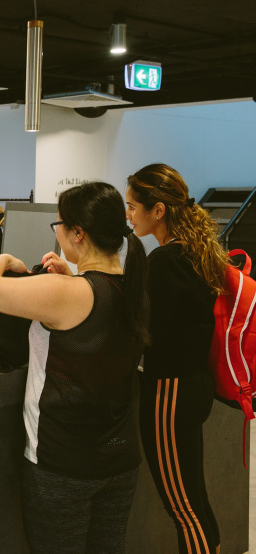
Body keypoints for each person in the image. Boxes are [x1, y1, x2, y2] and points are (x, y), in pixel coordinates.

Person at [0, 182, 148, 554]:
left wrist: (5, 259)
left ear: (78, 233)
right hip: (120, 458)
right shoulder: (132, 288)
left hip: (63, 462)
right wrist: (71, 278)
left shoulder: (68, 293)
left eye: (59, 224)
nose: (58, 231)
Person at [126, 164, 224, 554]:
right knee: (194, 501)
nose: (129, 215)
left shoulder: (167, 260)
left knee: (184, 509)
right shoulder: (194, 251)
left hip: (170, 391)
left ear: (158, 210)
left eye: (133, 206)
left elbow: (151, 332)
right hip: (192, 385)